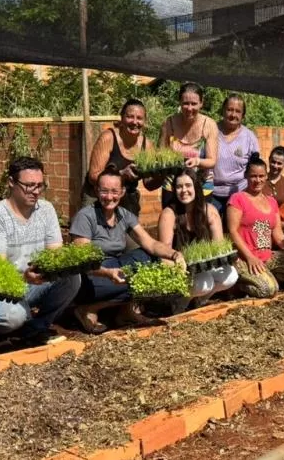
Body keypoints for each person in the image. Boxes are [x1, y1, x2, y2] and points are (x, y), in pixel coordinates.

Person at [0, 156, 80, 352]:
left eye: (39, 186)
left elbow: (55, 253)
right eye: (28, 186)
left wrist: (54, 268)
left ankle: (35, 328)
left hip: (31, 283)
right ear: (11, 182)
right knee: (12, 317)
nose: (35, 192)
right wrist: (24, 277)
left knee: (72, 278)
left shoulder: (46, 210)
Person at [70, 167, 185, 333]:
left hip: (115, 268)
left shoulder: (124, 214)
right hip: (92, 275)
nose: (109, 197)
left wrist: (174, 254)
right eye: (104, 191)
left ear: (122, 191)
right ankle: (87, 308)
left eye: (114, 191)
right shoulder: (85, 217)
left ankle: (125, 311)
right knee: (137, 281)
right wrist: (108, 273)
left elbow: (151, 243)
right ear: (96, 191)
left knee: (153, 259)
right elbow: (83, 263)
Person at [227, 156, 284, 298]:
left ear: (266, 176)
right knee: (268, 290)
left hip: (267, 256)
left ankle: (267, 276)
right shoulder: (238, 199)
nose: (258, 180)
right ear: (246, 176)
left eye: (261, 176)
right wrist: (250, 257)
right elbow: (232, 232)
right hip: (246, 258)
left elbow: (278, 234)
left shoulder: (271, 201)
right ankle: (239, 284)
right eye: (253, 176)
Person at [158, 168, 238, 303]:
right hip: (180, 268)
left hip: (202, 266)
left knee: (230, 276)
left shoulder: (209, 211)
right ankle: (180, 303)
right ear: (174, 190)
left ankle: (199, 300)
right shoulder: (169, 214)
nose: (184, 190)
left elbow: (218, 247)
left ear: (196, 187)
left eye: (188, 185)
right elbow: (164, 254)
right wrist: (177, 267)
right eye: (179, 187)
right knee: (204, 283)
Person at [80, 98, 160, 216]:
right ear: (122, 118)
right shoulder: (108, 138)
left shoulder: (147, 146)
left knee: (129, 233)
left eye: (139, 118)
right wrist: (121, 175)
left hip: (126, 199)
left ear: (145, 121)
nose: (134, 122)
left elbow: (149, 184)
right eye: (130, 117)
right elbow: (93, 176)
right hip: (99, 197)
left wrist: (162, 175)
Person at [158, 82, 220, 208]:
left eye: (194, 104)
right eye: (186, 103)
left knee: (200, 224)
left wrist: (197, 161)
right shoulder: (168, 123)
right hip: (173, 185)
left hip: (202, 185)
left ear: (201, 103)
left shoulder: (209, 125)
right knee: (171, 221)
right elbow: (159, 155)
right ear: (180, 102)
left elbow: (212, 160)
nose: (189, 108)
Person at [210, 93, 261, 216]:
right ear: (223, 110)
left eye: (238, 111)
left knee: (235, 229)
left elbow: (255, 168)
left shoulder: (249, 137)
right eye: (229, 110)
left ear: (243, 115)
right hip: (212, 192)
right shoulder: (211, 131)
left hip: (239, 192)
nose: (233, 115)